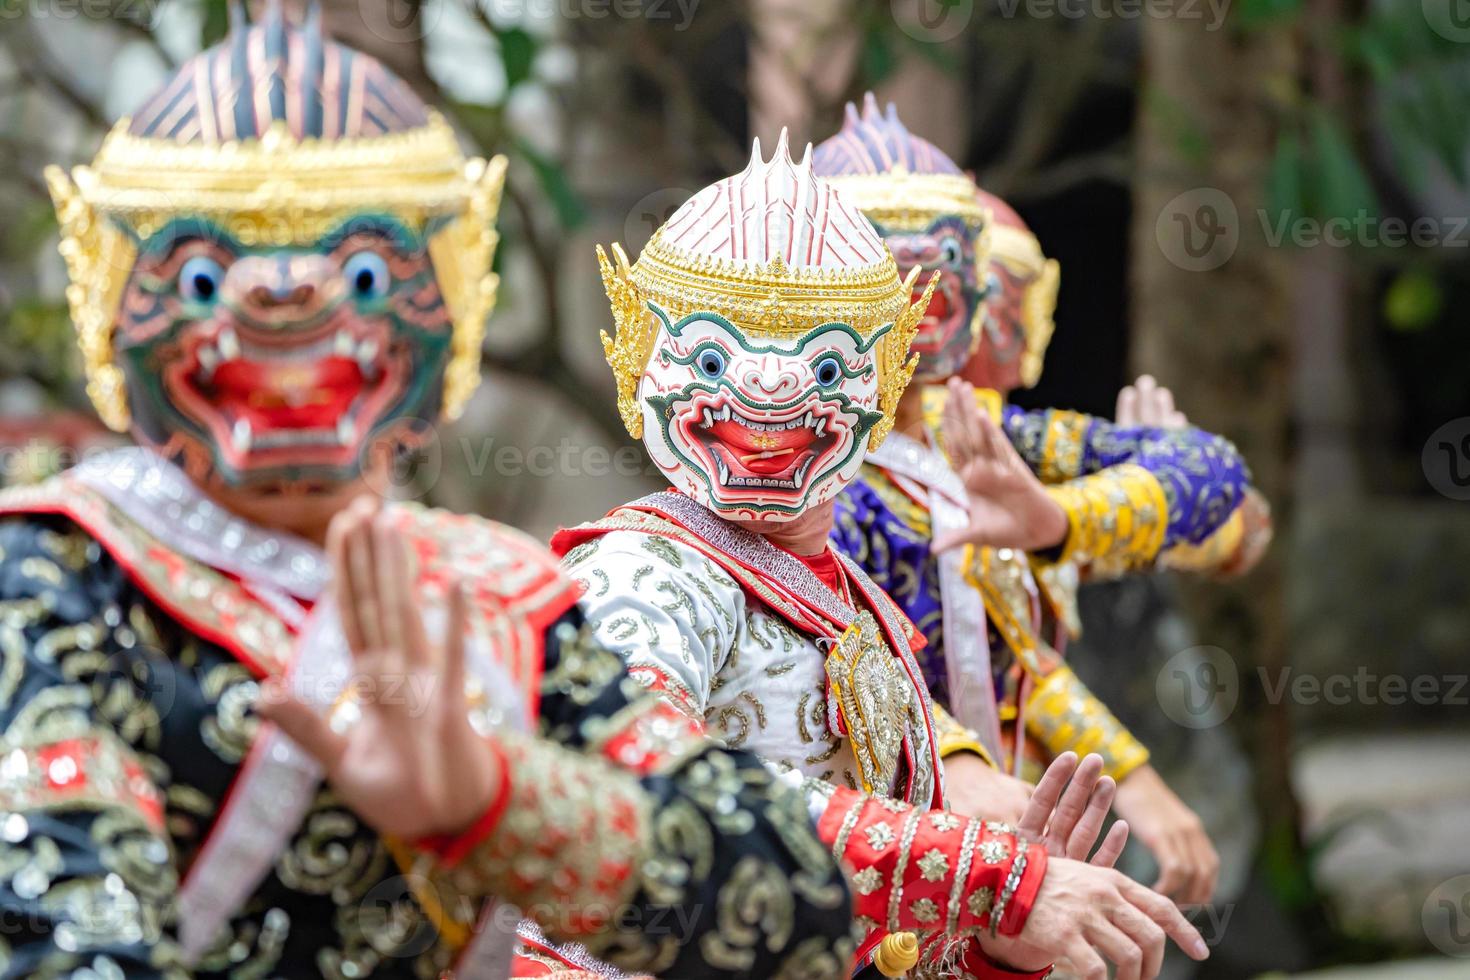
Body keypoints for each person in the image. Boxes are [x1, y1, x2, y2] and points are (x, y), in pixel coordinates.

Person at [0, 8, 858, 978]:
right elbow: (71, 936)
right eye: (203, 274)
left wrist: (499, 800)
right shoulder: (56, 573)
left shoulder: (491, 594)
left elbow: (796, 904)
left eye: (362, 269)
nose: (285, 291)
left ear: (452, 299)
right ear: (110, 304)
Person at [553, 132, 1209, 979]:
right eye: (713, 355)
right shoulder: (641, 573)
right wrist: (990, 877)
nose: (768, 386)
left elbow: (885, 934)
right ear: (640, 359)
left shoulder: (851, 599)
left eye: (824, 363)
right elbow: (655, 789)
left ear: (887, 381)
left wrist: (994, 944)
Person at [814, 95, 1271, 906]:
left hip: (1003, 827)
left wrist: (1067, 520)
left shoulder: (982, 437)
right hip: (879, 838)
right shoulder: (815, 468)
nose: (922, 315)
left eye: (942, 281)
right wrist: (968, 767)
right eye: (890, 279)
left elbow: (1221, 492)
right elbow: (850, 655)